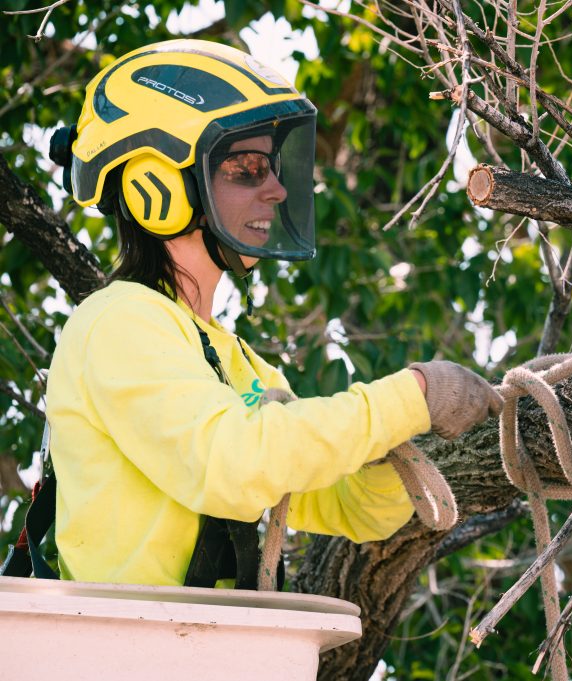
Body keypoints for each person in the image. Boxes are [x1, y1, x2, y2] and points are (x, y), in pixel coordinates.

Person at [42, 39, 502, 587]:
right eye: (247, 169)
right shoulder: (118, 321)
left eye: (272, 169)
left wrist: (380, 450)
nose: (278, 190)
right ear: (156, 188)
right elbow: (235, 464)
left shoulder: (234, 360)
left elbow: (354, 510)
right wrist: (414, 394)